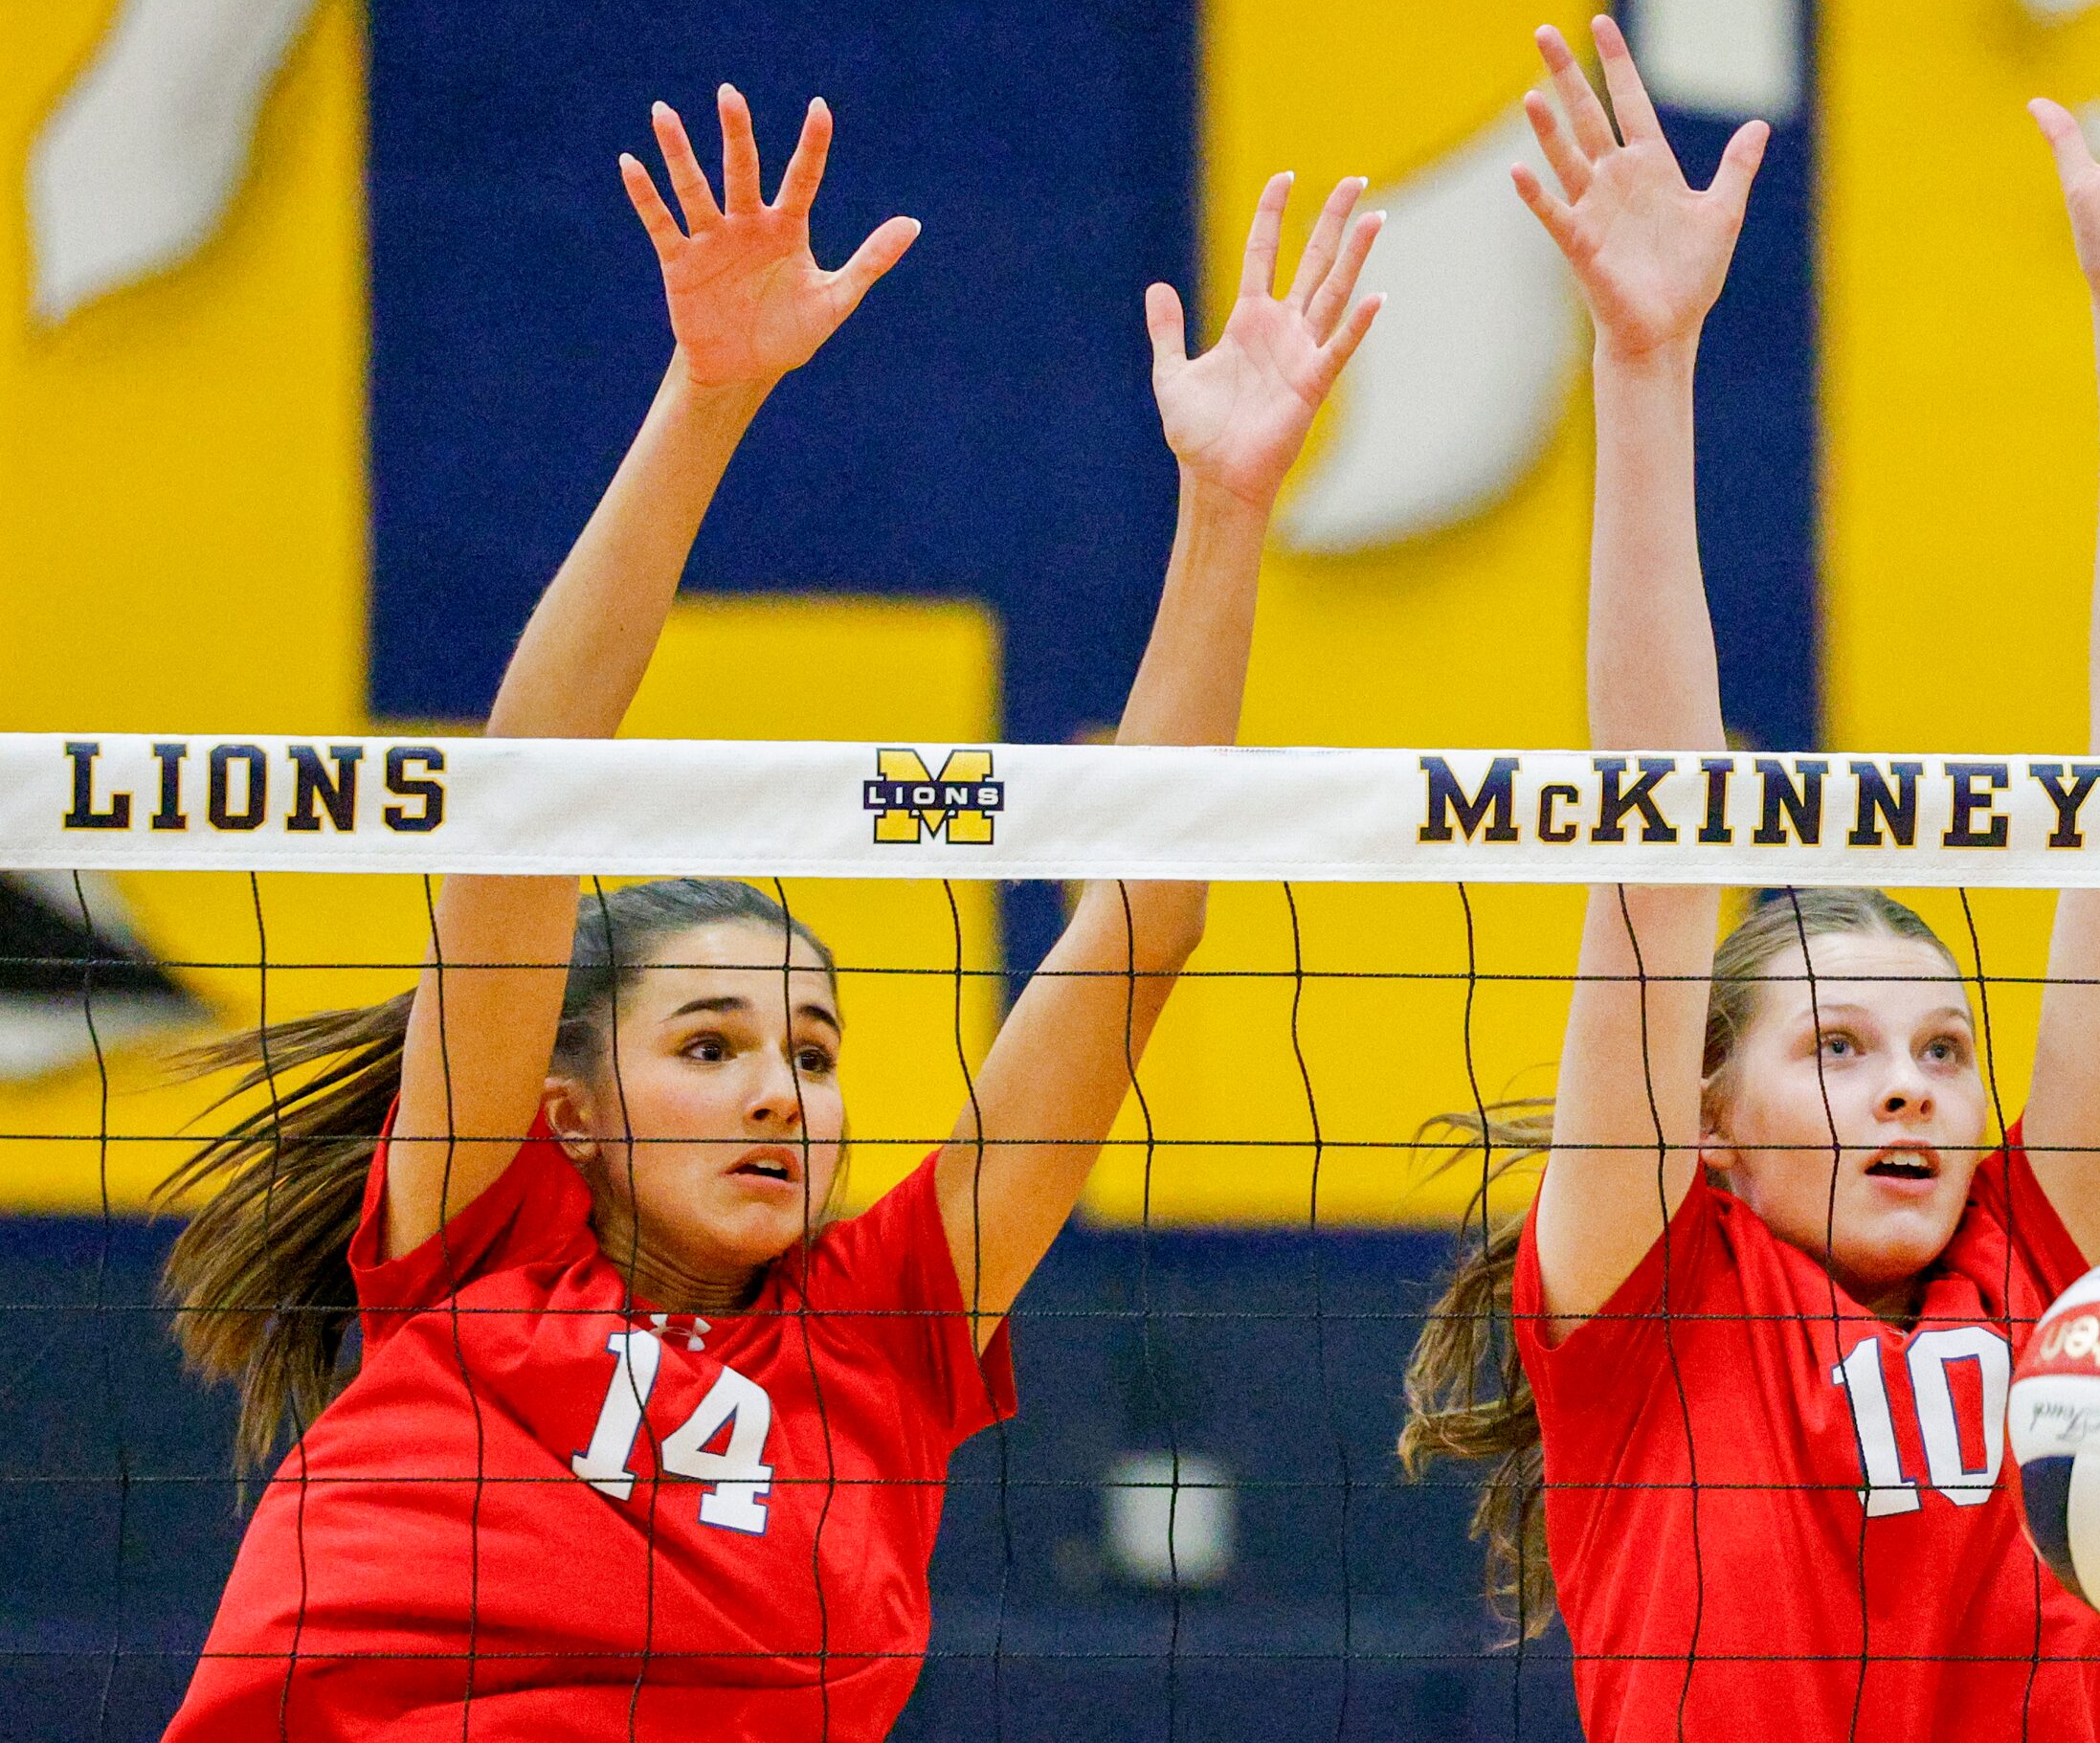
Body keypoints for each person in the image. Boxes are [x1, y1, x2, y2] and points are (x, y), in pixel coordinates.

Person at [160, 86, 1383, 1741]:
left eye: (809, 1051)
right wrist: (708, 396)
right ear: (569, 1111)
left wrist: (1226, 505)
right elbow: (523, 790)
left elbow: (1143, 917)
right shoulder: (474, 1243)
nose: (776, 1092)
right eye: (712, 1042)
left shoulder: (886, 1329)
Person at [1401, 0, 2100, 1740]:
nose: (1908, 1090)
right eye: (1834, 1049)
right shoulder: (1650, 1295)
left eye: (1940, 1049)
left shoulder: (2045, 1270)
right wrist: (1642, 366)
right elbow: (1656, 827)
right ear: (1709, 1122)